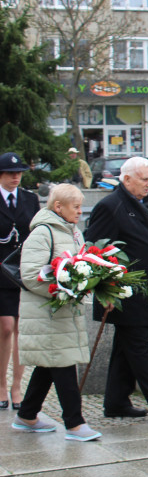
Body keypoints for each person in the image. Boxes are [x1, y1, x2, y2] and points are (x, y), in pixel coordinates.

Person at [84, 157, 148, 420]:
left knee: (125, 348)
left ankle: (116, 402)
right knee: (139, 347)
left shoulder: (146, 204)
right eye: (144, 179)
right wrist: (105, 289)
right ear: (126, 179)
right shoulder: (110, 206)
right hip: (124, 293)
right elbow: (96, 250)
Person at [12, 184, 101, 440]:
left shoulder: (73, 232)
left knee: (49, 363)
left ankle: (27, 415)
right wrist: (64, 289)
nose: (79, 211)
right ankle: (74, 423)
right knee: (62, 363)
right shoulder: (42, 233)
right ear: (58, 207)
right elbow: (29, 275)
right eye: (75, 207)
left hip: (61, 311)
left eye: (80, 206)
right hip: (47, 312)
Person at [0, 152, 39, 410]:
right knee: (5, 327)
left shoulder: (30, 198)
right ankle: (0, 385)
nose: (16, 176)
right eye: (10, 173)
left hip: (22, 271)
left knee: (22, 330)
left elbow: (35, 232)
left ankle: (17, 387)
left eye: (19, 172)